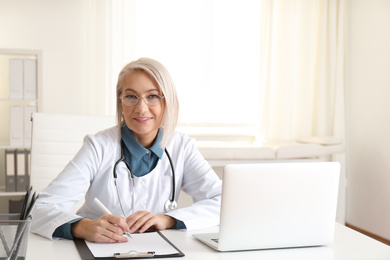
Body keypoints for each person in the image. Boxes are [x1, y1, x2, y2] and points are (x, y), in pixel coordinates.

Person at [31, 57, 222, 243]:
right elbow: (40, 209)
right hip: (98, 250)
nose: (141, 108)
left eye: (152, 96)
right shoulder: (98, 147)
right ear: (120, 102)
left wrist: (168, 219)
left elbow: (224, 202)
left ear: (168, 101)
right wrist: (82, 227)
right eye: (131, 96)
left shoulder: (182, 147)